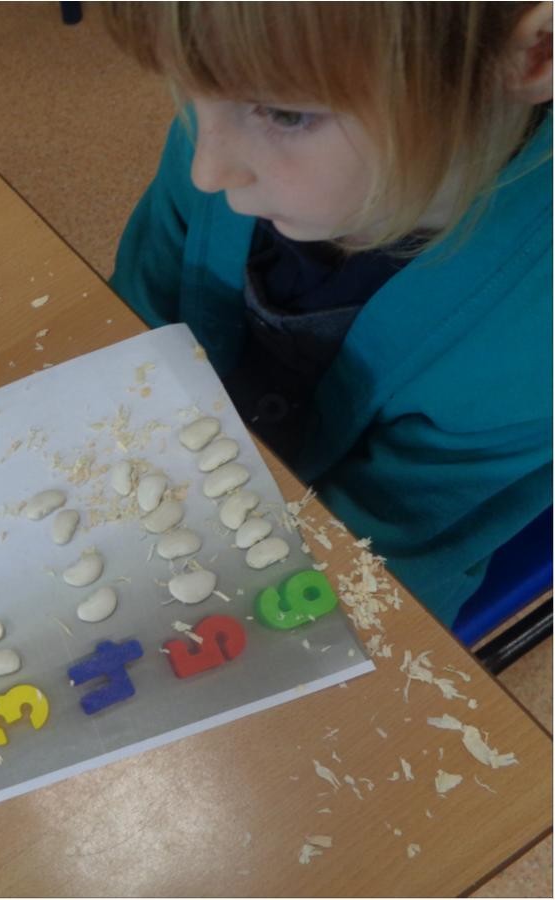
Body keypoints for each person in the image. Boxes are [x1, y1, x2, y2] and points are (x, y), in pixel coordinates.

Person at [104, 2, 553, 627]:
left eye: (284, 113)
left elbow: (373, 558)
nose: (206, 169)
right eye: (188, 86)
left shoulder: (534, 339)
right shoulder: (228, 143)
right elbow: (131, 325)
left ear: (534, 54)